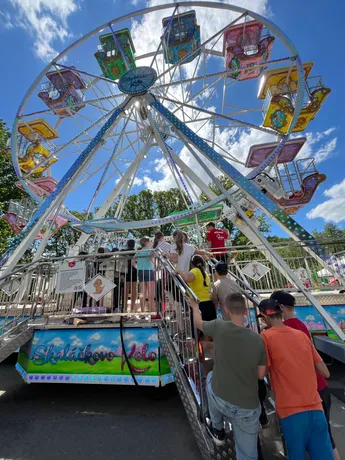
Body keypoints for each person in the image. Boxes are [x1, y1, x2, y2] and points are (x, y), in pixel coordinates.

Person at [189, 293, 266, 459]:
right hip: (248, 406)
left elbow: (198, 323)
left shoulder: (219, 327)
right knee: (247, 454)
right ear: (246, 311)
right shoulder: (257, 339)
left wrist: (195, 307)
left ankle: (217, 428)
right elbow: (261, 374)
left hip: (222, 399)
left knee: (209, 378)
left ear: (226, 310)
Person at [258, 298, 333, 460]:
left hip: (291, 412)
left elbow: (261, 374)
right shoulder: (301, 336)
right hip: (316, 408)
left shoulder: (266, 338)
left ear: (264, 317)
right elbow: (325, 372)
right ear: (280, 313)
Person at [176, 255, 216, 322]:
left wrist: (178, 271)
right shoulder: (205, 273)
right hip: (209, 304)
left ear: (191, 264)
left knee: (199, 330)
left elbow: (186, 278)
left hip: (199, 305)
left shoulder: (195, 270)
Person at [136, 237, 156, 316]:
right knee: (150, 292)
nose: (151, 242)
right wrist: (156, 265)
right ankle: (151, 310)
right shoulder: (150, 250)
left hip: (141, 271)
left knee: (142, 292)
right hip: (149, 270)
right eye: (150, 241)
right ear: (147, 242)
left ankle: (143, 311)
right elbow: (151, 259)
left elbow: (133, 261)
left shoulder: (139, 251)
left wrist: (138, 267)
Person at [122, 240, 138, 313]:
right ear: (134, 245)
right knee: (134, 289)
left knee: (126, 289)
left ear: (127, 244)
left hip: (125, 271)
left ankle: (125, 308)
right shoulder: (136, 252)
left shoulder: (123, 251)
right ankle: (132, 308)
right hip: (134, 270)